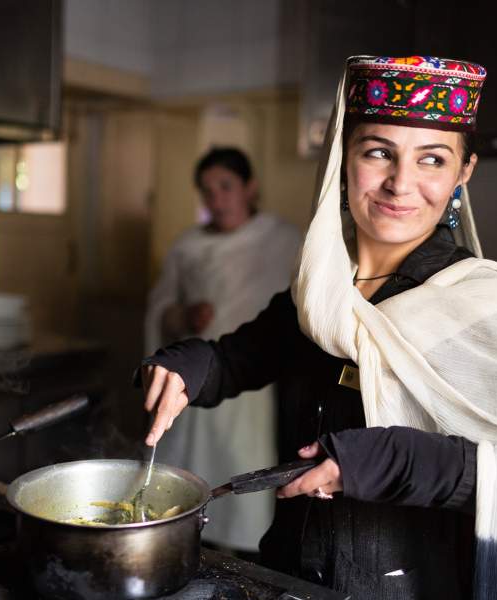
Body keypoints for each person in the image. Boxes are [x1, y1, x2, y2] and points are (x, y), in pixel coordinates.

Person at [139, 56, 497, 599]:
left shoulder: (484, 304)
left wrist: (395, 459)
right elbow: (234, 358)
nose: (401, 183)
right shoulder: (323, 290)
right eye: (378, 152)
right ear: (342, 161)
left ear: (464, 174)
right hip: (288, 573)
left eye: (432, 160)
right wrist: (183, 367)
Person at [144, 147, 301, 553]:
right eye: (207, 190)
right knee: (187, 482)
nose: (216, 198)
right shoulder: (188, 245)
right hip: (201, 379)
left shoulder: (283, 240)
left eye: (226, 186)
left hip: (256, 386)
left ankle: (247, 553)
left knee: (244, 479)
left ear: (250, 188)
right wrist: (183, 317)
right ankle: (185, 544)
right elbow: (160, 308)